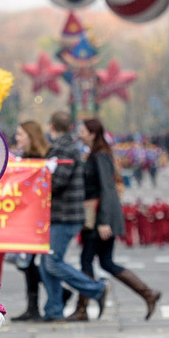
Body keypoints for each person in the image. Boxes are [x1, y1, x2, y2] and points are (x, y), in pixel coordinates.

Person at [76, 118, 160, 320]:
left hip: (100, 218)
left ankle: (82, 309)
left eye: (82, 131)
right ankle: (148, 293)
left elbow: (108, 188)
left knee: (87, 260)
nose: (79, 134)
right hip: (99, 216)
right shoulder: (94, 155)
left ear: (92, 134)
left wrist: (104, 221)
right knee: (106, 262)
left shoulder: (100, 156)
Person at [39, 111, 108, 322]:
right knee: (46, 263)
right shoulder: (65, 147)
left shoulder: (63, 148)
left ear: (52, 127)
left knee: (52, 262)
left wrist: (42, 176)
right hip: (61, 215)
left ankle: (96, 288)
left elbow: (58, 181)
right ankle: (53, 309)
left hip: (65, 215)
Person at [10, 120, 50, 321]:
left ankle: (35, 305)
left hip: (36, 219)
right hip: (26, 218)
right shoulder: (23, 158)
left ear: (30, 137)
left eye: (20, 134)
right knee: (25, 263)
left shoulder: (38, 159)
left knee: (29, 263)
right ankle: (33, 306)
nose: (17, 138)